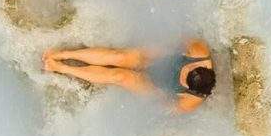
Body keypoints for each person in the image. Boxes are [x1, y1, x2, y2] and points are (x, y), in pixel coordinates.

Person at [41, 39, 217, 113]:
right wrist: (156, 53)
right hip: (156, 59)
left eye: (184, 79)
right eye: (186, 71)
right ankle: (63, 54)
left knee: (119, 76)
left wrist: (157, 98)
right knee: (118, 57)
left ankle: (62, 68)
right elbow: (173, 40)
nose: (183, 73)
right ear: (196, 65)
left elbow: (170, 107)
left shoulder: (193, 99)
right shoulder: (197, 50)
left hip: (153, 84)